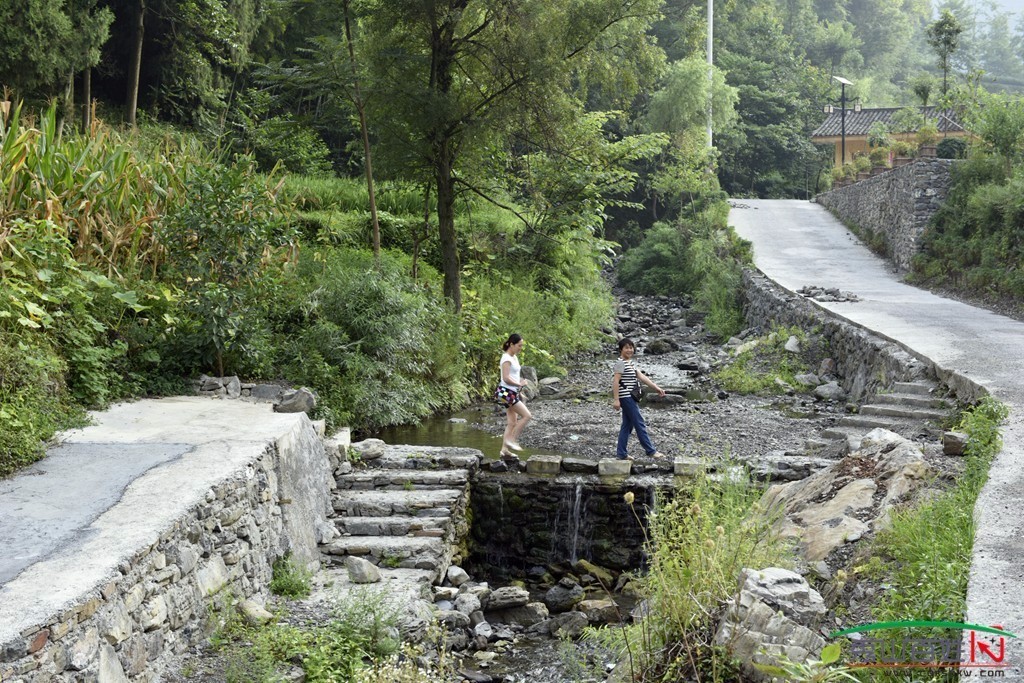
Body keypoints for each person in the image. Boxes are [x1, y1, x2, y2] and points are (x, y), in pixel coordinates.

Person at [612, 338, 666, 460]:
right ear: (621, 349)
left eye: (631, 347)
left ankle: (621, 454)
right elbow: (615, 381)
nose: (629, 350)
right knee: (639, 423)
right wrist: (616, 400)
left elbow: (642, 377)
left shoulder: (629, 363)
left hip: (630, 397)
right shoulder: (620, 363)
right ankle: (650, 451)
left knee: (627, 425)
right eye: (626, 347)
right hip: (626, 397)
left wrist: (657, 388)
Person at [495, 333, 531, 457]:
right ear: (511, 344)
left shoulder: (514, 357)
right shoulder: (506, 358)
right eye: (519, 346)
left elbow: (514, 375)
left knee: (512, 422)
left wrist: (519, 390)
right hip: (505, 392)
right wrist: (519, 384)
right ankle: (512, 440)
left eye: (521, 346)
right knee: (527, 416)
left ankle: (504, 450)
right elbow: (505, 378)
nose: (520, 348)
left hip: (511, 392)